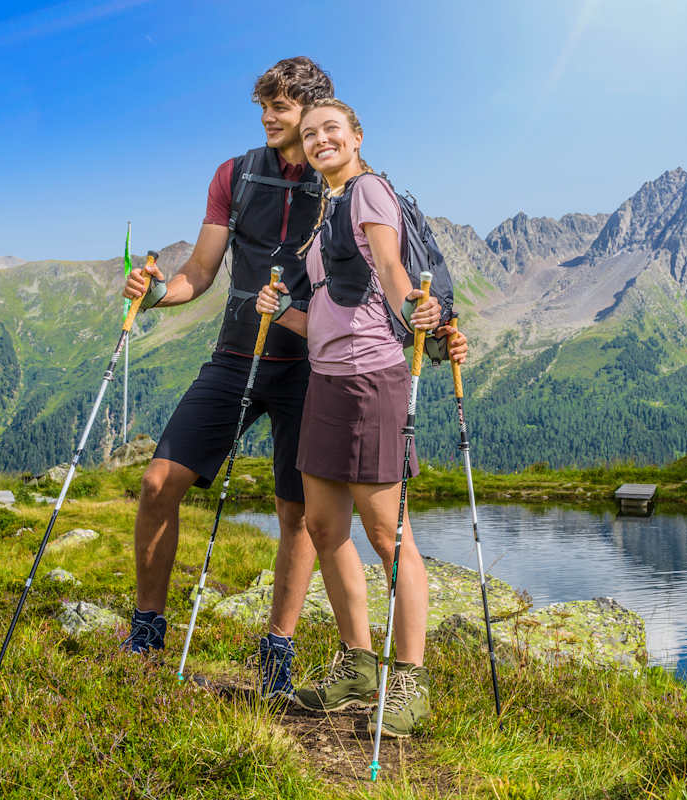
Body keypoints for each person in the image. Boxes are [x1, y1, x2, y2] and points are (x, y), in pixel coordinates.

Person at [119, 57, 332, 699]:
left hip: (310, 369)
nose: (268, 116)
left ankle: (277, 652)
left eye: (282, 106)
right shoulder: (233, 176)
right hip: (236, 356)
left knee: (296, 513)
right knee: (160, 481)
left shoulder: (341, 180)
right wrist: (156, 295)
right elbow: (201, 272)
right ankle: (147, 634)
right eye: (263, 105)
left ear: (314, 111)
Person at [256, 98, 466, 738]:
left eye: (331, 131)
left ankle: (409, 680)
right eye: (311, 133)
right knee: (323, 526)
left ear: (356, 137)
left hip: (373, 380)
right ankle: (355, 665)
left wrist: (421, 312)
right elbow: (333, 307)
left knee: (387, 534)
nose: (320, 140)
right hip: (324, 380)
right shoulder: (325, 214)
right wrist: (282, 309)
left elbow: (393, 269)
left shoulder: (370, 191)